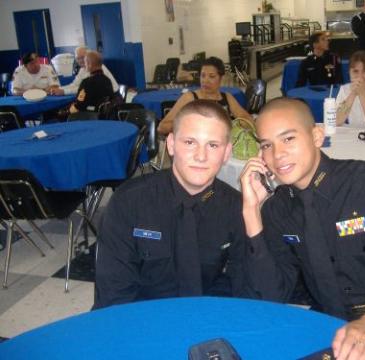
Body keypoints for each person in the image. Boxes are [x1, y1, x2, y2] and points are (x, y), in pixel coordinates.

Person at [240, 97, 365, 360]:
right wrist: (252, 215)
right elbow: (272, 294)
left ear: (316, 136)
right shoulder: (277, 209)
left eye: (288, 138)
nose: (277, 154)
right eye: (267, 145)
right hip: (329, 328)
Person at [93, 100, 252, 309]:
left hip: (206, 314)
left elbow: (240, 283)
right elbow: (114, 293)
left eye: (212, 145)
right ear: (170, 144)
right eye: (189, 142)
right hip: (140, 317)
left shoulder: (236, 207)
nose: (201, 156)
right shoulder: (129, 201)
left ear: (226, 153)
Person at [157, 56, 252, 135]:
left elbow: (248, 120)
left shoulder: (227, 97)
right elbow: (162, 127)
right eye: (203, 76)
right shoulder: (190, 97)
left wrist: (230, 125)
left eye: (211, 76)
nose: (205, 81)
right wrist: (188, 124)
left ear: (221, 79)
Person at [50, 46, 119, 96]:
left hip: (110, 99)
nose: (80, 61)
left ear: (89, 56)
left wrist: (64, 91)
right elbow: (75, 85)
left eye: (82, 57)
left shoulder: (97, 69)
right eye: (77, 58)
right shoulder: (82, 69)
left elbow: (83, 89)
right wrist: (58, 89)